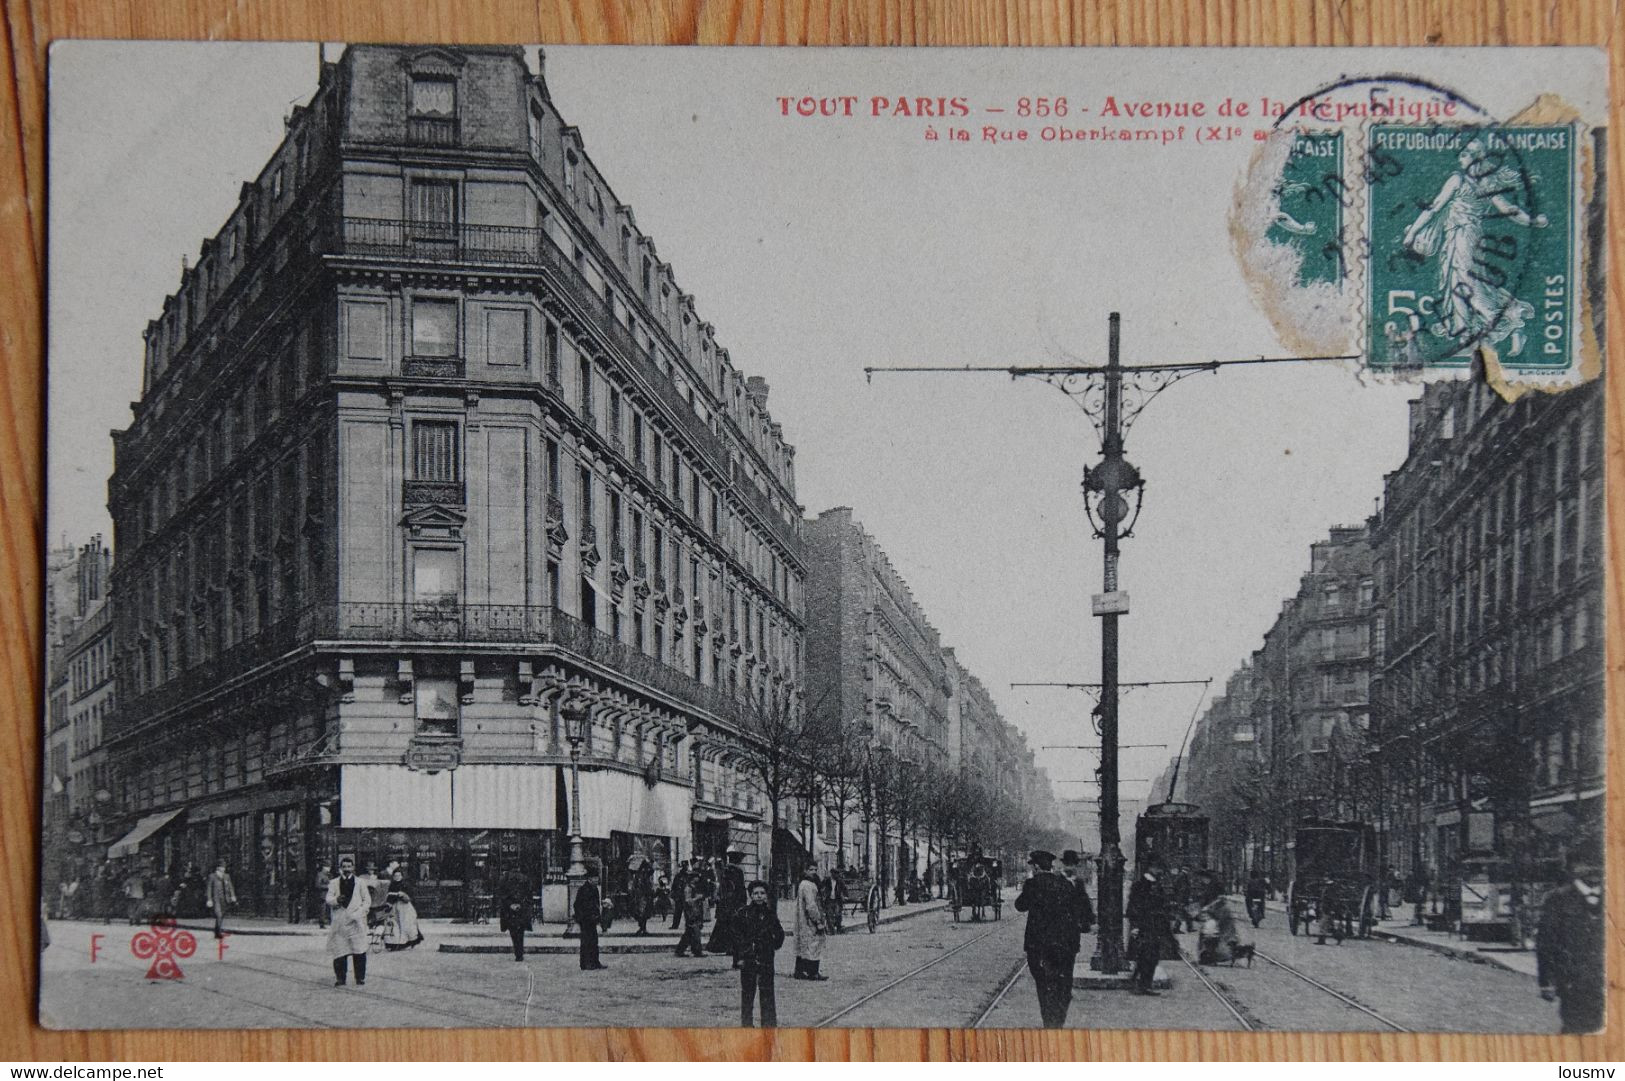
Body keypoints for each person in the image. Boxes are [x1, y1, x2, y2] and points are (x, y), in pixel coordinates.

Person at [1537, 849, 1604, 1034]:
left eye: (1598, 865)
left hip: (1610, 981)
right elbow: (1546, 944)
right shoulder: (1558, 899)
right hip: (1573, 982)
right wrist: (1547, 982)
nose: (1592, 870)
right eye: (1585, 865)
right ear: (1573, 868)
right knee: (1577, 1029)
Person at [1013, 850, 1080, 1029]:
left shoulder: (1032, 884)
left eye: (1033, 867)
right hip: (1063, 945)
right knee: (1061, 985)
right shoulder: (1065, 884)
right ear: (1050, 866)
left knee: (1043, 986)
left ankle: (1049, 1022)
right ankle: (1059, 1021)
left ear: (1036, 867)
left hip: (1039, 946)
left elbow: (1020, 906)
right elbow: (1075, 913)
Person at [735, 880, 785, 1028]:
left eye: (762, 893)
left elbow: (780, 934)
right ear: (750, 895)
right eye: (756, 893)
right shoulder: (743, 913)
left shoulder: (770, 914)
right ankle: (747, 1026)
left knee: (767, 994)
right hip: (748, 959)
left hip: (766, 959)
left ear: (766, 896)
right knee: (748, 995)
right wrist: (740, 957)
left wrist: (772, 946)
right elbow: (737, 938)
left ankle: (769, 1026)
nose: (759, 896)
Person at [325, 857, 371, 987]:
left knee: (359, 950)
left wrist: (358, 913)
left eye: (348, 867)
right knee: (340, 951)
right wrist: (336, 900)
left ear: (353, 868)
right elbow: (328, 898)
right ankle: (340, 978)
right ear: (340, 868)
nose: (346, 869)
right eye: (344, 867)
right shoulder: (334, 883)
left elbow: (367, 901)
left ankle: (360, 978)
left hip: (356, 922)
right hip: (340, 921)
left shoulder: (360, 882)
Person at [1126, 863, 1171, 996]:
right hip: (1143, 926)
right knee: (1143, 955)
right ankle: (1139, 984)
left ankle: (1144, 984)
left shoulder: (1157, 885)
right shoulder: (1139, 885)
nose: (1160, 870)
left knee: (1152, 956)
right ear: (1151, 867)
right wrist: (1134, 926)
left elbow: (1162, 906)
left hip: (1155, 927)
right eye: (1158, 867)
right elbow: (1132, 907)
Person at [709, 849, 746, 966]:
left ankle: (724, 948)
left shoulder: (726, 870)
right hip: (735, 904)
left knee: (726, 927)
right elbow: (740, 889)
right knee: (736, 931)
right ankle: (734, 956)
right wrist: (742, 904)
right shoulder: (737, 870)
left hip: (725, 904)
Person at [793, 866, 829, 980]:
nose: (814, 872)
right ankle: (813, 972)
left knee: (802, 945)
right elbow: (811, 905)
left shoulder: (802, 884)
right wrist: (818, 920)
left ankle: (799, 971)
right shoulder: (808, 885)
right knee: (815, 945)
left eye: (815, 870)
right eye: (810, 869)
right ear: (805, 871)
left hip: (802, 919)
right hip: (809, 920)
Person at [1058, 850, 1096, 950]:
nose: (1070, 867)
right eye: (1068, 864)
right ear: (1064, 865)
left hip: (1073, 930)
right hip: (1057, 930)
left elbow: (1085, 902)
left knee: (1070, 959)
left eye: (1073, 864)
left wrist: (1091, 922)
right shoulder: (1056, 881)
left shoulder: (1079, 882)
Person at [382, 868, 425, 950]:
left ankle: (407, 942)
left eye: (399, 875)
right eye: (395, 875)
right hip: (394, 906)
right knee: (394, 925)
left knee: (406, 924)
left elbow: (410, 897)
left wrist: (403, 895)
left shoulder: (406, 885)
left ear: (401, 876)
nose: (397, 877)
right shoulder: (391, 885)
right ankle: (394, 943)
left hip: (405, 907)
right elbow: (389, 896)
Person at [574, 863, 607, 971]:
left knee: (594, 941)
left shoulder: (594, 889)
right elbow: (578, 905)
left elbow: (595, 904)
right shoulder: (583, 889)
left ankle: (595, 962)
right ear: (589, 878)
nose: (596, 880)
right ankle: (585, 963)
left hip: (592, 919)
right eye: (595, 878)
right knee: (586, 942)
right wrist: (582, 918)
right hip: (586, 920)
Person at [497, 869, 533, 962]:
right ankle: (519, 953)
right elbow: (528, 895)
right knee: (520, 932)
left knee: (513, 932)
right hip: (521, 909)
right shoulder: (525, 878)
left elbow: (502, 895)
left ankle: (518, 953)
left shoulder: (504, 879)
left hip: (510, 910)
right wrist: (521, 904)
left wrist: (510, 904)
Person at [674, 869, 708, 958]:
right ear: (693, 878)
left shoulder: (693, 887)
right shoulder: (688, 888)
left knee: (689, 933)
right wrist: (697, 898)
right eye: (696, 877)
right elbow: (687, 900)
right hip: (691, 913)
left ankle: (680, 950)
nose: (698, 878)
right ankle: (697, 951)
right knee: (695, 932)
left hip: (695, 912)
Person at [206, 861, 236, 939]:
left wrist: (232, 895)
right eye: (222, 867)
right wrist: (209, 899)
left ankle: (216, 931)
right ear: (218, 868)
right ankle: (219, 933)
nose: (223, 868)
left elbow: (230, 887)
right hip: (216, 899)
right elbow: (209, 888)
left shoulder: (226, 876)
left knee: (221, 915)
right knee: (218, 914)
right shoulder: (212, 876)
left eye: (224, 867)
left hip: (225, 898)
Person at [629, 857, 655, 936]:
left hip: (645, 896)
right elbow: (639, 886)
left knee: (644, 912)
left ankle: (643, 928)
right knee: (641, 913)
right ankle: (642, 928)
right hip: (642, 896)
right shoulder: (641, 875)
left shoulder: (644, 875)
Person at [669, 859, 690, 932]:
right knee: (678, 911)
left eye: (686, 866)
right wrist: (673, 894)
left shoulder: (689, 875)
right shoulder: (678, 875)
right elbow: (674, 885)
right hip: (679, 895)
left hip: (686, 896)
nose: (685, 868)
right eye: (683, 866)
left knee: (687, 912)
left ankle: (688, 925)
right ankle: (675, 925)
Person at [314, 863, 332, 929]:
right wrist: (328, 886)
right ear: (324, 867)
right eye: (328, 867)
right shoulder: (320, 875)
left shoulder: (328, 875)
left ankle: (329, 921)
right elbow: (318, 885)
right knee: (322, 910)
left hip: (329, 894)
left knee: (328, 909)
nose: (329, 869)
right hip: (322, 895)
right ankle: (322, 923)